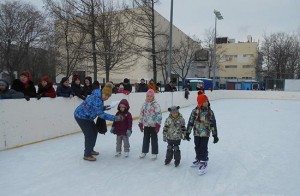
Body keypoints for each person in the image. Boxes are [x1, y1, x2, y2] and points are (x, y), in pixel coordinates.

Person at [74, 82, 124, 161]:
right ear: (102, 92)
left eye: (108, 96)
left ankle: (90, 149)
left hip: (88, 116)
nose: (106, 97)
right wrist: (115, 118)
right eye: (105, 95)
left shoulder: (99, 96)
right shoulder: (97, 99)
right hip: (81, 116)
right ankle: (87, 154)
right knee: (89, 134)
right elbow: (101, 115)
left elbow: (95, 107)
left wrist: (104, 107)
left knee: (94, 131)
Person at [185, 94, 219, 175]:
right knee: (197, 146)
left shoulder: (210, 112)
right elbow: (190, 122)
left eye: (207, 101)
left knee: (203, 147)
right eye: (204, 102)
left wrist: (215, 135)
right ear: (200, 103)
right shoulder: (195, 111)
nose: (206, 103)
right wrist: (187, 132)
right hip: (196, 133)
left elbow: (213, 124)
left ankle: (204, 161)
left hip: (205, 133)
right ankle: (199, 159)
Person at [138, 89, 162, 159]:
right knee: (145, 139)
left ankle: (154, 153)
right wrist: (140, 122)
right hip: (146, 125)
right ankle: (144, 151)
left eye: (150, 96)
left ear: (153, 97)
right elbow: (141, 114)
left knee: (154, 139)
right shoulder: (144, 104)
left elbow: (159, 114)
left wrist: (158, 124)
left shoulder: (156, 105)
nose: (149, 97)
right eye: (148, 96)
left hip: (153, 125)